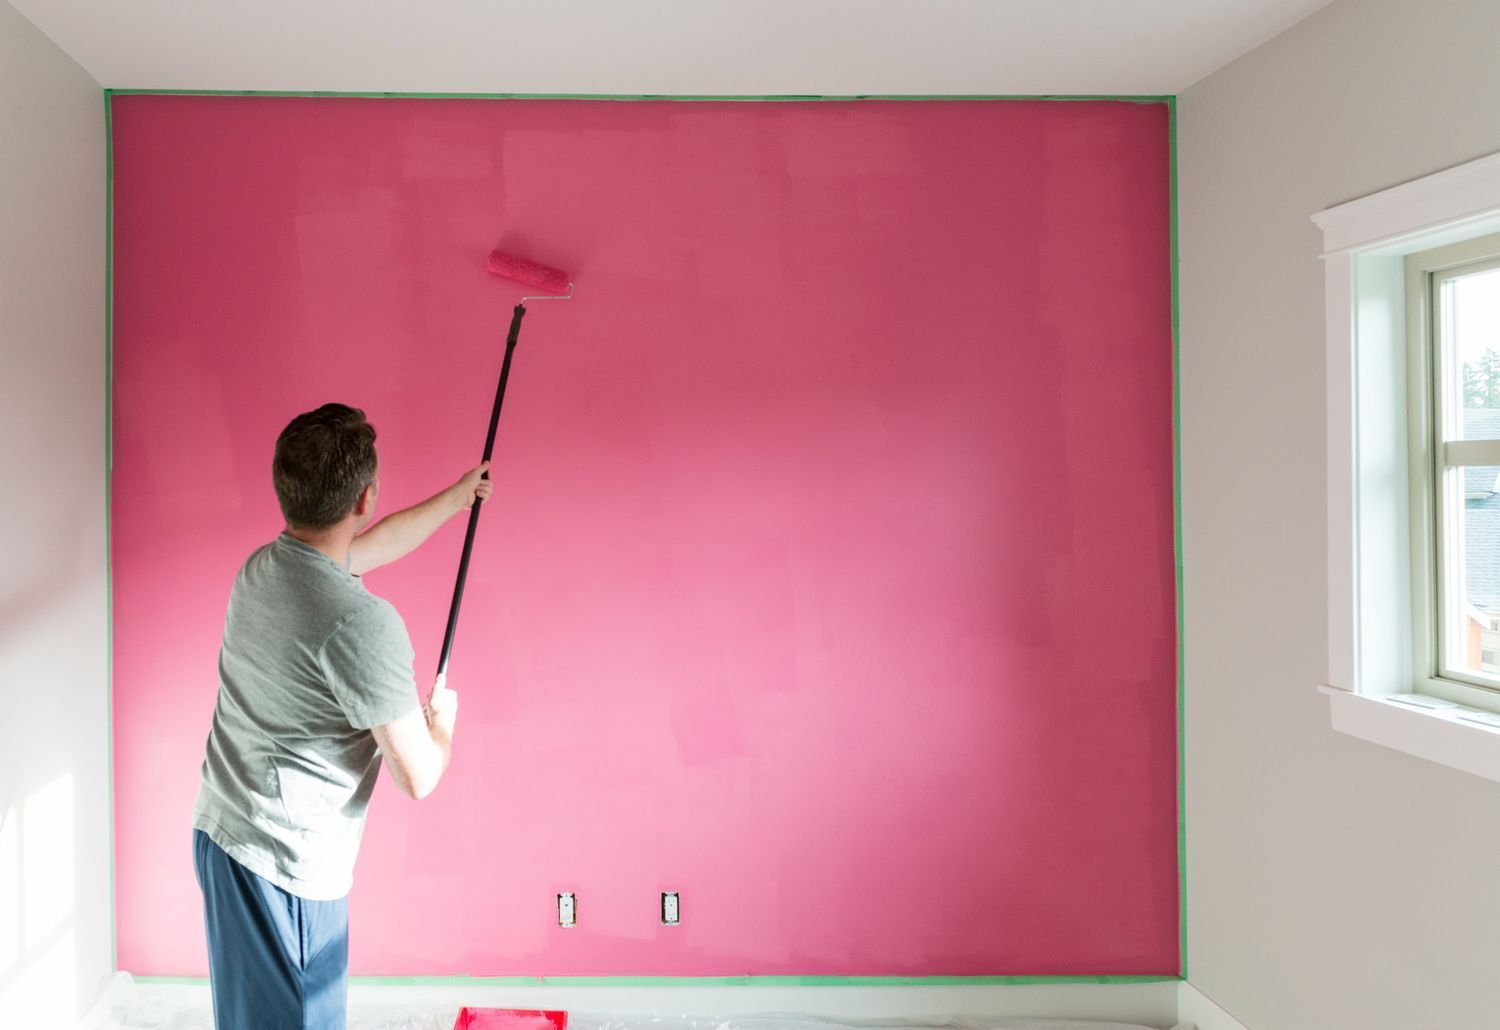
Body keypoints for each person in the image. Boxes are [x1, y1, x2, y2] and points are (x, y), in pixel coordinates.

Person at [191, 402, 489, 1030]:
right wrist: (443, 726)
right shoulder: (360, 624)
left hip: (222, 836)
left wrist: (459, 498)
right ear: (365, 496)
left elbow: (371, 545)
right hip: (285, 872)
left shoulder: (264, 571)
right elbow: (420, 777)